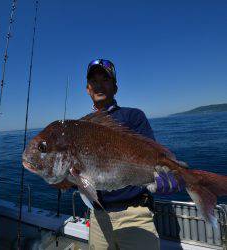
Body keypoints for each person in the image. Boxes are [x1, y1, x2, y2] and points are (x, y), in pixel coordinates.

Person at [54, 59, 183, 250]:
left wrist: (169, 172)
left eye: (105, 79)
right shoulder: (80, 128)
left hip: (134, 216)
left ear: (115, 87)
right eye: (94, 81)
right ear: (88, 89)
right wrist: (65, 179)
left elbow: (153, 156)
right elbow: (86, 175)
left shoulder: (133, 117)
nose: (99, 85)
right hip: (98, 217)